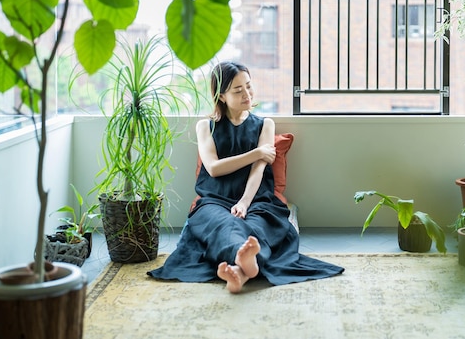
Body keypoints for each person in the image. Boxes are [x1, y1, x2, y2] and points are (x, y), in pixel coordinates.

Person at [147, 61, 344, 293]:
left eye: (249, 87)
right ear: (221, 96)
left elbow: (258, 171)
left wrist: (244, 202)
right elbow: (213, 168)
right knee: (226, 225)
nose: (247, 94)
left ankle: (240, 272)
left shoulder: (265, 125)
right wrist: (256, 153)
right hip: (214, 201)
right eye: (238, 91)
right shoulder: (205, 126)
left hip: (258, 200)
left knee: (257, 227)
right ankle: (244, 266)